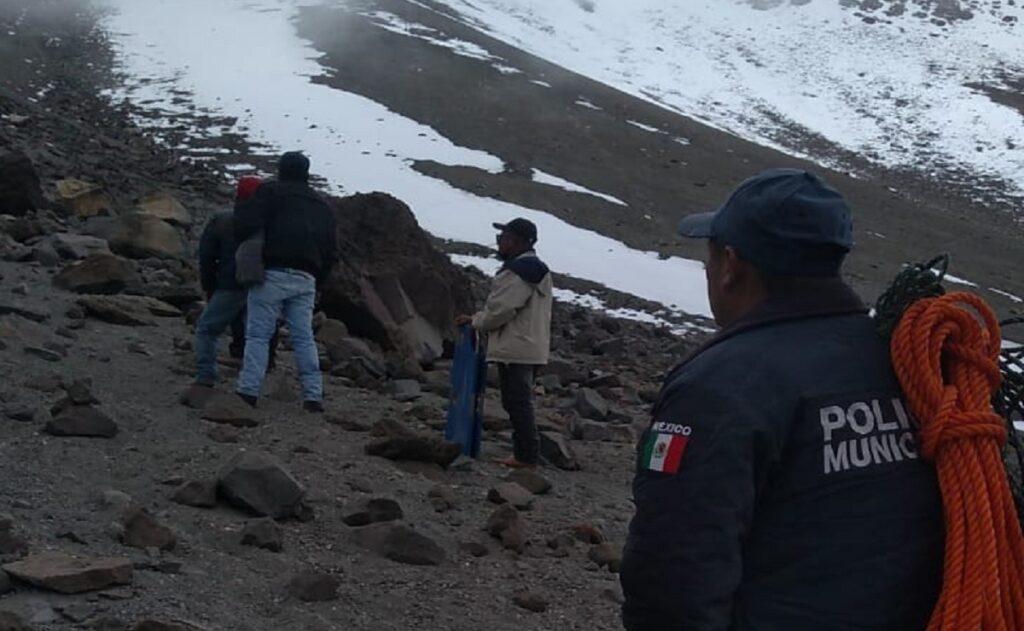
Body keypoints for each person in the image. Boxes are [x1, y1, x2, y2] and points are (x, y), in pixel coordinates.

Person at [620, 169, 944, 630]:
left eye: (709, 256)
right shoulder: (904, 362)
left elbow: (673, 575)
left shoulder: (721, 385)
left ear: (731, 264)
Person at [233, 152, 337, 412]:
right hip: (307, 277)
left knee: (258, 335)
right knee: (303, 338)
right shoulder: (322, 205)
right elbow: (330, 251)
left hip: (272, 272)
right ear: (306, 172)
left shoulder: (269, 192)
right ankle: (313, 396)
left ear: (281, 169)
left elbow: (245, 225)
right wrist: (319, 281)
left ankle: (248, 391)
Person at [456, 218, 553, 469]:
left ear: (519, 241)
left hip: (516, 346)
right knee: (520, 400)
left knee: (517, 402)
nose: (500, 242)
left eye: (505, 237)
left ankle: (526, 455)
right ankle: (527, 452)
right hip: (531, 346)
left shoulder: (519, 271)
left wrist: (476, 321)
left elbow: (501, 309)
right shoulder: (537, 269)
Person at [193, 175, 262, 388]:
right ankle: (254, 375)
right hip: (260, 285)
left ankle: (206, 375)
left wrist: (209, 287)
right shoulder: (268, 225)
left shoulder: (223, 220)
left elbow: (206, 257)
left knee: (207, 329)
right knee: (256, 332)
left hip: (229, 283)